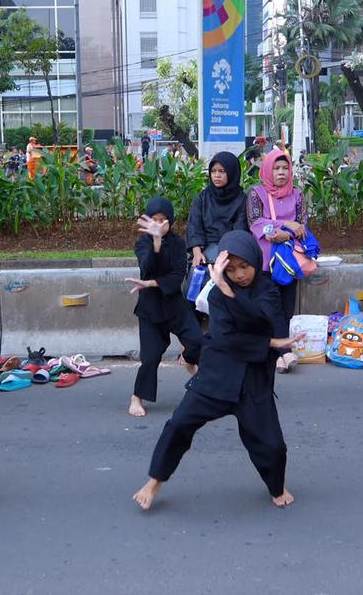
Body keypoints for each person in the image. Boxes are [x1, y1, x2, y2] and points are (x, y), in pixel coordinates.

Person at [133, 231, 302, 511]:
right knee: (177, 426)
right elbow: (225, 339)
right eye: (231, 269)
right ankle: (154, 482)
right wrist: (269, 342)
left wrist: (233, 298)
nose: (239, 275)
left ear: (255, 261)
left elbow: (263, 320)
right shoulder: (217, 293)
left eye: (244, 267)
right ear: (221, 268)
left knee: (272, 446)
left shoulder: (268, 290)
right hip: (217, 376)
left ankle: (276, 486)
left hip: (253, 380)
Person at [124, 198, 203, 418]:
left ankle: (188, 359)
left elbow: (177, 275)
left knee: (197, 341)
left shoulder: (178, 243)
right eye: (154, 220)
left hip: (174, 305)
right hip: (150, 309)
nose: (158, 225)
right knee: (150, 357)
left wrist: (150, 283)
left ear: (171, 221)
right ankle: (137, 397)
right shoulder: (142, 244)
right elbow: (147, 267)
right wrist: (156, 242)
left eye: (163, 221)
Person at [248, 149, 307, 374]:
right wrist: (285, 226)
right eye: (276, 168)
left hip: (289, 260)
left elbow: (302, 225)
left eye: (285, 168)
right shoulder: (257, 193)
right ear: (267, 170)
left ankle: (278, 355)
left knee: (286, 308)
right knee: (271, 308)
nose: (281, 172)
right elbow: (254, 222)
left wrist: (288, 233)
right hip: (265, 260)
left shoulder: (297, 194)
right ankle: (285, 352)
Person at [187, 152, 247, 267]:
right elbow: (195, 225)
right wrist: (197, 252)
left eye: (222, 171)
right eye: (213, 171)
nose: (216, 175)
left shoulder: (242, 199)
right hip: (203, 251)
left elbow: (240, 230)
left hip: (230, 253)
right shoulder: (203, 197)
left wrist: (225, 255)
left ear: (232, 172)